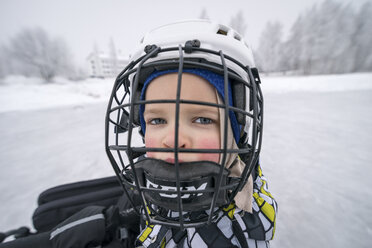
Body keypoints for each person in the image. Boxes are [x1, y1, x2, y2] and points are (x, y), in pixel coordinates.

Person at [105, 19, 277, 247]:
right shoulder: (153, 179)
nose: (174, 140)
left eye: (203, 119)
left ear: (235, 134)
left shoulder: (237, 230)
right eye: (157, 120)